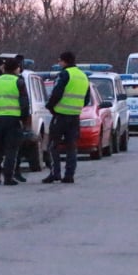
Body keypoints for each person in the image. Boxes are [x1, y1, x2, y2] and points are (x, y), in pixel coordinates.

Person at [42, 51, 90, 184]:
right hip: (75, 116)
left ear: (64, 61)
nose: (59, 63)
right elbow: (86, 99)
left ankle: (55, 173)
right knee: (71, 147)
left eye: (59, 61)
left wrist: (50, 106)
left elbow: (57, 92)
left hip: (61, 115)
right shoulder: (83, 76)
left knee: (53, 145)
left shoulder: (64, 74)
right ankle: (69, 175)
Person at [0, 59, 31, 185]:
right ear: (16, 69)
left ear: (4, 68)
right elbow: (24, 104)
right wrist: (24, 119)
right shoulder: (18, 82)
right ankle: (8, 178)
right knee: (11, 151)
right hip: (13, 120)